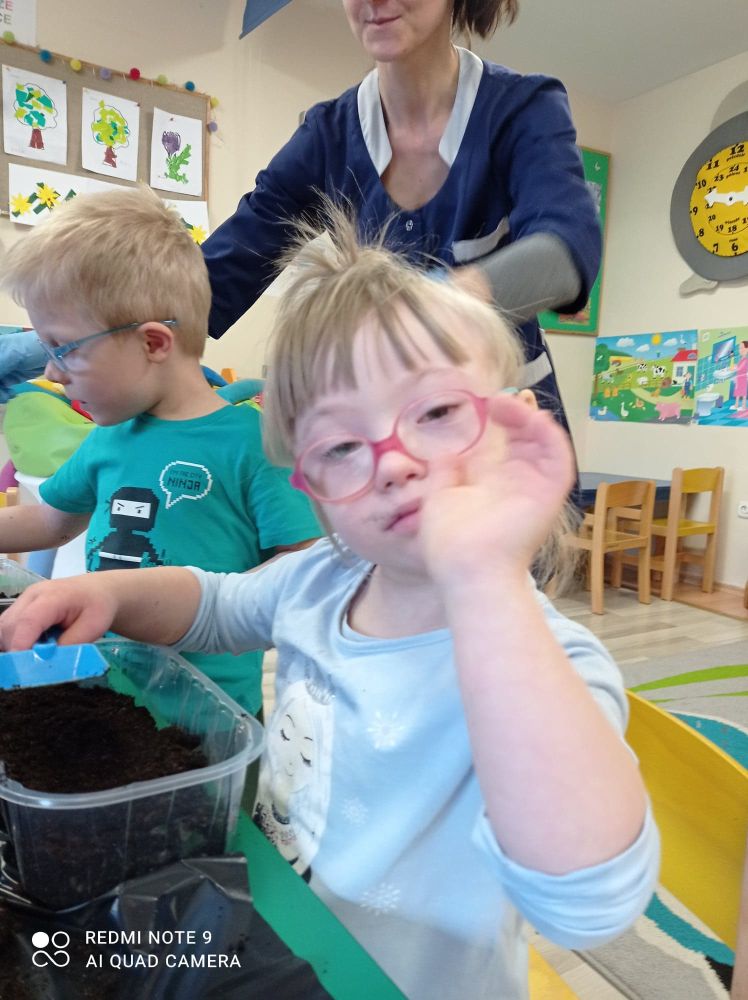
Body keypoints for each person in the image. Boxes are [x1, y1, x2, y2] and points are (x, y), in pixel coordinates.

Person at [1, 210, 658, 1000]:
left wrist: (483, 578)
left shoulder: (548, 664)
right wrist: (104, 590)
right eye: (342, 445)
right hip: (284, 939)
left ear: (515, 427)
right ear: (311, 485)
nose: (392, 462)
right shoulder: (323, 579)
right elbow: (216, 603)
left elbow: (586, 901)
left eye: (436, 413)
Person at [202, 0, 600, 443]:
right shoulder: (327, 138)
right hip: (393, 444)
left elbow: (566, 247)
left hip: (510, 439)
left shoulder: (522, 109)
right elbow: (225, 266)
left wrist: (426, 312)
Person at [0, 185, 320, 716]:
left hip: (207, 717)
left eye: (64, 349)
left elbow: (306, 568)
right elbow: (52, 522)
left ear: (152, 343)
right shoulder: (110, 435)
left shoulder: (257, 445)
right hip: (103, 690)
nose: (51, 373)